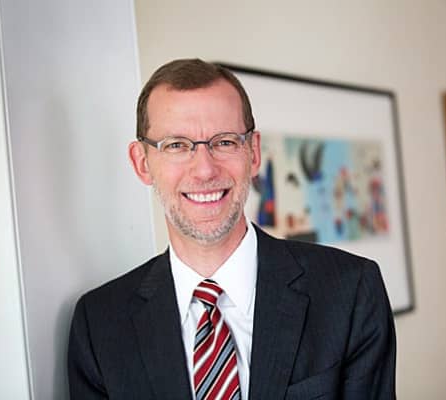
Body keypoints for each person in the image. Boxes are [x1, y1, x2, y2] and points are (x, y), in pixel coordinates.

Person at [68, 59, 396, 400]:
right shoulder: (99, 324)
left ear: (253, 153)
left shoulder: (351, 291)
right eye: (176, 145)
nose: (205, 170)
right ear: (142, 163)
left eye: (224, 142)